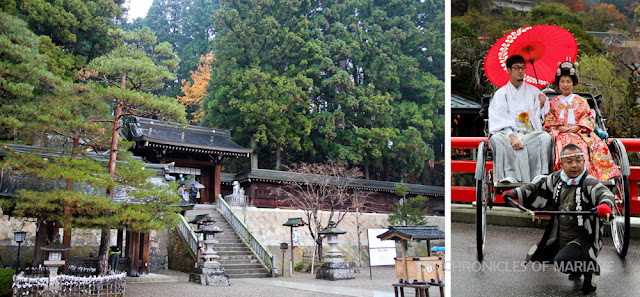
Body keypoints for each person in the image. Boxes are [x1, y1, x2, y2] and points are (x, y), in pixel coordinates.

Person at [502, 143, 614, 294]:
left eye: (578, 160)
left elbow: (604, 193)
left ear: (583, 161)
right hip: (562, 234)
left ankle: (592, 272)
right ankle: (577, 270)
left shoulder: (589, 182)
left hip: (585, 237)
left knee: (562, 262)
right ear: (561, 164)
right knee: (558, 256)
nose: (575, 165)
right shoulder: (556, 179)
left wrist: (605, 205)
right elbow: (536, 187)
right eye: (569, 162)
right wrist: (516, 192)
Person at [544, 61, 620, 181]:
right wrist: (560, 128)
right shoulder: (552, 103)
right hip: (560, 134)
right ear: (558, 83)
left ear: (573, 83)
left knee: (589, 147)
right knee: (560, 147)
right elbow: (549, 119)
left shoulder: (581, 101)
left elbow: (588, 116)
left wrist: (577, 127)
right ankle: (562, 177)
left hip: (579, 133)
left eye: (568, 81)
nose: (565, 84)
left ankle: (587, 177)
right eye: (562, 81)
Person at [488, 54, 552, 182]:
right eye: (516, 68)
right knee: (497, 139)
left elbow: (539, 117)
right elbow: (500, 119)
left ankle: (538, 175)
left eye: (523, 68)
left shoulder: (534, 91)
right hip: (508, 134)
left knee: (545, 138)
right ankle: (508, 176)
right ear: (509, 70)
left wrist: (540, 104)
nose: (520, 71)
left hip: (529, 132)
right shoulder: (501, 94)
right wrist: (512, 138)